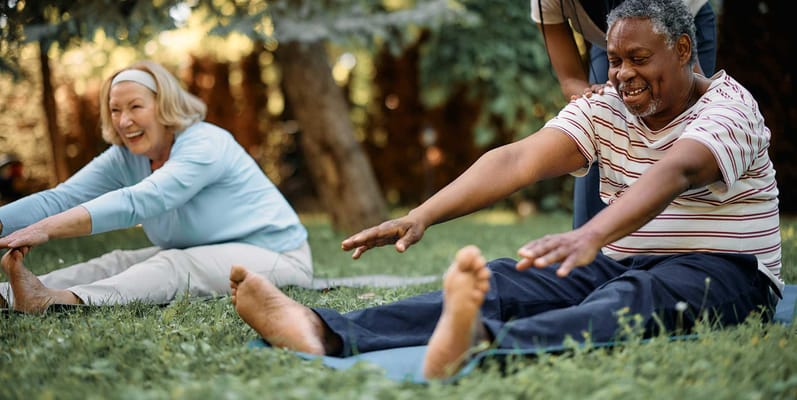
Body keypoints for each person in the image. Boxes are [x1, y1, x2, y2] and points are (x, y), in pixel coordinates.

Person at [229, 0, 782, 381]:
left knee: (626, 302)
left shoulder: (730, 108)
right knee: (501, 280)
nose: (624, 75)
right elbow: (518, 159)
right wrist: (421, 215)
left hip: (722, 267)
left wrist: (590, 234)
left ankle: (484, 347)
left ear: (684, 51)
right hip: (621, 260)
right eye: (614, 60)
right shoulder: (605, 107)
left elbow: (678, 172)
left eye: (640, 59)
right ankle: (321, 331)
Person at [0, 60, 313, 313]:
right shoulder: (125, 157)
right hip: (203, 250)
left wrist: (46, 229)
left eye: (136, 107)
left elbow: (140, 201)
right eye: (115, 110)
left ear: (164, 105)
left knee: (175, 266)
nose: (124, 121)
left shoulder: (205, 144)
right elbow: (61, 199)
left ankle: (55, 300)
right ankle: (7, 294)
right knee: (118, 261)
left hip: (278, 255)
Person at [531, 0, 717, 229]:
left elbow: (696, 95)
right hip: (609, 40)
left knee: (671, 128)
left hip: (680, 24)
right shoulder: (547, 3)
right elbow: (570, 80)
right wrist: (597, 101)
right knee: (599, 130)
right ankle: (589, 247)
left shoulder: (679, 42)